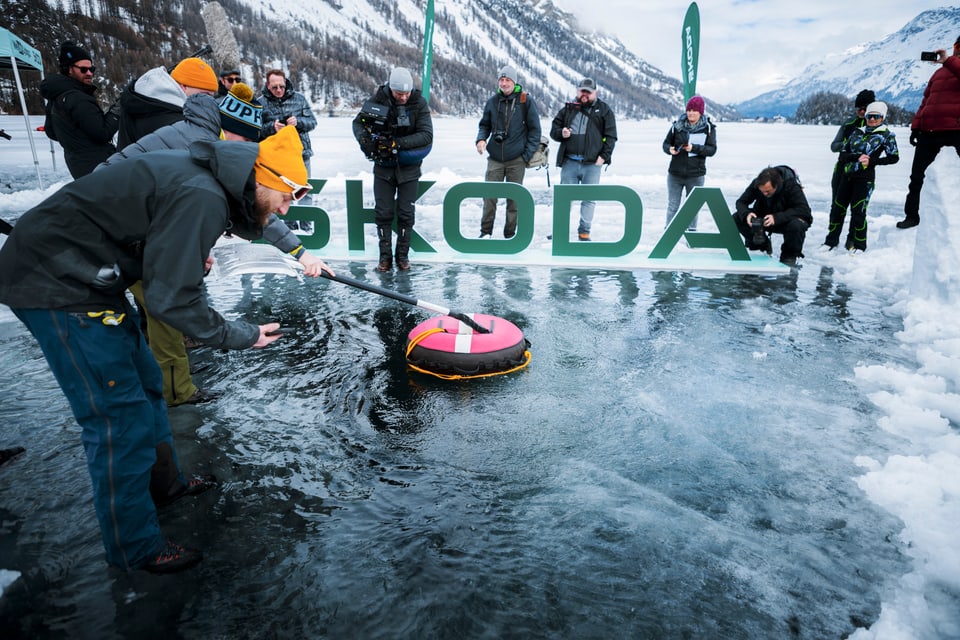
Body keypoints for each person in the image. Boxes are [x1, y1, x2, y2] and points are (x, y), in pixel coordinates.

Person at [0, 126, 324, 574]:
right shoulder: (203, 196)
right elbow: (173, 299)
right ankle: (135, 547)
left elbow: (158, 236)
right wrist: (241, 334)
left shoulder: (214, 182)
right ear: (262, 180)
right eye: (287, 198)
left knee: (149, 385)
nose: (286, 209)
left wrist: (185, 251)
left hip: (92, 274)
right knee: (118, 421)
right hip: (56, 285)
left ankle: (166, 485)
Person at [352, 67, 433, 271]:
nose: (404, 98)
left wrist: (396, 143)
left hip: (409, 169)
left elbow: (426, 135)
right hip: (383, 168)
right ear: (390, 89)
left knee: (406, 214)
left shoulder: (419, 103)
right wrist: (365, 140)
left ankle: (402, 257)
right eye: (399, 94)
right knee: (383, 213)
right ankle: (385, 258)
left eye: (406, 94)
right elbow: (358, 123)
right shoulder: (377, 100)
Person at [899, 35, 960, 229]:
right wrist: (916, 126)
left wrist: (949, 61)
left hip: (956, 131)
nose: (958, 50)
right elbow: (926, 101)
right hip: (929, 131)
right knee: (917, 176)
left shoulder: (951, 66)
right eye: (957, 46)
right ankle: (912, 216)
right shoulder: (938, 74)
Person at [475, 65, 541, 239]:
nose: (504, 83)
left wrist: (526, 155)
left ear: (514, 81)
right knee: (489, 197)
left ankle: (510, 235)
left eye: (507, 80)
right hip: (495, 158)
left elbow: (535, 130)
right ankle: (485, 233)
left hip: (516, 159)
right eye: (501, 80)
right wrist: (481, 139)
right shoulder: (492, 101)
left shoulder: (525, 101)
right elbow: (484, 125)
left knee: (514, 200)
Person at [824, 101, 899, 252]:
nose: (872, 119)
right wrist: (856, 157)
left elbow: (894, 157)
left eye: (876, 116)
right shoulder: (857, 132)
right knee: (837, 210)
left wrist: (872, 161)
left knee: (858, 212)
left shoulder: (886, 135)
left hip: (865, 179)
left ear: (882, 118)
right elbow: (843, 155)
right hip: (847, 176)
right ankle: (830, 242)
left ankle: (859, 245)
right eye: (869, 116)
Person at [550, 77, 617, 241]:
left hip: (592, 164)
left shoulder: (604, 110)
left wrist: (603, 157)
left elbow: (611, 136)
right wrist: (562, 133)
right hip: (570, 162)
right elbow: (554, 130)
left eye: (588, 91)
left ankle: (584, 232)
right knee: (565, 198)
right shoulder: (568, 109)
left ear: (595, 92)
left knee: (589, 199)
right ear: (577, 91)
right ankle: (560, 229)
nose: (585, 94)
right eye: (582, 91)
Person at [39, 42, 120, 178]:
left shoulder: (56, 96)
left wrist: (76, 141)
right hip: (99, 167)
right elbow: (103, 133)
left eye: (91, 69)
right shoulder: (78, 98)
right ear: (69, 69)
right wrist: (118, 109)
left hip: (77, 166)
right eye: (83, 69)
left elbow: (51, 132)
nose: (89, 73)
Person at [117, 56, 219, 148]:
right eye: (204, 94)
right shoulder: (177, 121)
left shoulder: (137, 99)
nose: (208, 101)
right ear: (183, 86)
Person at [734, 165, 812, 266]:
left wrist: (777, 218)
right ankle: (762, 246)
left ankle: (789, 257)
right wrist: (747, 214)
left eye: (768, 191)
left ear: (777, 185)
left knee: (797, 225)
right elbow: (741, 202)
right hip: (764, 218)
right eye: (762, 191)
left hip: (786, 220)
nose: (765, 194)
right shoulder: (756, 183)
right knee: (737, 217)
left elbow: (804, 210)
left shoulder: (791, 185)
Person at [662, 95, 716, 232]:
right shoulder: (677, 126)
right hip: (675, 174)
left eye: (694, 110)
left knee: (692, 207)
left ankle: (692, 236)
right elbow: (665, 144)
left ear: (700, 112)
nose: (691, 113)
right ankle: (668, 235)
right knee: (673, 205)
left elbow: (712, 150)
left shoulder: (708, 128)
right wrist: (670, 149)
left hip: (696, 175)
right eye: (689, 110)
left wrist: (695, 148)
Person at [260, 69, 317, 178]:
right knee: (279, 194)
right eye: (274, 87)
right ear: (267, 85)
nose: (279, 90)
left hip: (301, 155)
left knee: (304, 192)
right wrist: (272, 127)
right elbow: (256, 131)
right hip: (274, 157)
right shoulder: (260, 103)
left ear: (285, 83)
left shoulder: (300, 99)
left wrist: (298, 122)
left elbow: (312, 122)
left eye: (282, 86)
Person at [830, 89, 874, 198]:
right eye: (859, 109)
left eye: (865, 109)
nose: (862, 112)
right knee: (836, 208)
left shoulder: (876, 126)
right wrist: (848, 144)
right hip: (842, 169)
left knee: (858, 211)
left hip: (863, 172)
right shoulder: (849, 123)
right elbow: (834, 146)